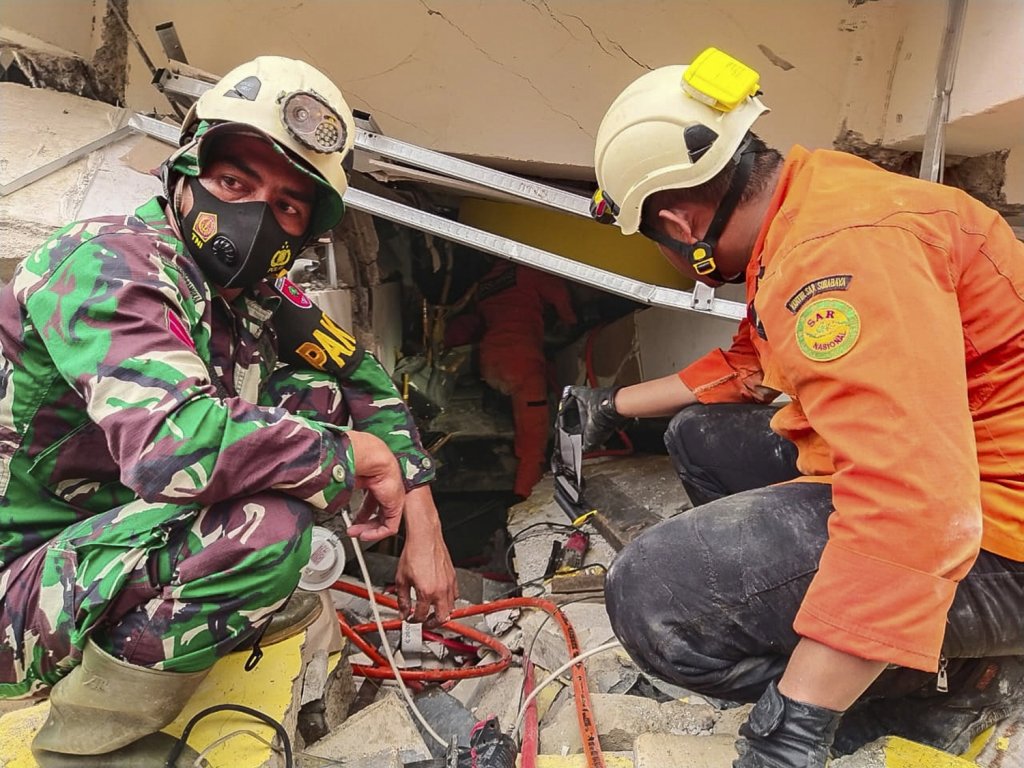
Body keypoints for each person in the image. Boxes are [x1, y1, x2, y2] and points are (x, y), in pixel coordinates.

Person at [566, 47, 1024, 766]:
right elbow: (749, 364)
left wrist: (791, 729)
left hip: (996, 532)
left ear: (680, 225)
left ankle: (946, 680)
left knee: (656, 599)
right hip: (951, 468)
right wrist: (610, 405)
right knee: (698, 435)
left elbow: (918, 505)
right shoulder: (807, 207)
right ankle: (852, 642)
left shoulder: (836, 252)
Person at [0, 56, 456, 764]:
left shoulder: (254, 297)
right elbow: (170, 447)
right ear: (183, 175)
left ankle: (166, 627)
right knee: (268, 524)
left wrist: (423, 523)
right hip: (16, 582)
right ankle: (83, 744)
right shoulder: (111, 263)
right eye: (233, 182)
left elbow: (361, 381)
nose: (250, 216)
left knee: (315, 399)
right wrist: (352, 456)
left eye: (286, 206)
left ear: (302, 237)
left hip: (100, 537)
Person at [476, 259, 577, 500]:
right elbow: (560, 296)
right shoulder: (526, 269)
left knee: (521, 415)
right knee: (533, 441)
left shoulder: (486, 282)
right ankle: (524, 497)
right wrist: (570, 320)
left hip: (489, 360)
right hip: (520, 361)